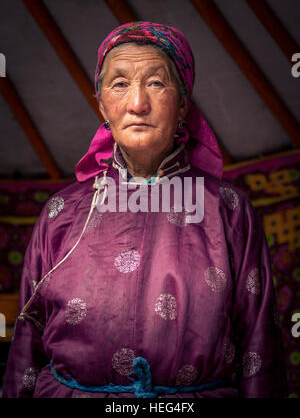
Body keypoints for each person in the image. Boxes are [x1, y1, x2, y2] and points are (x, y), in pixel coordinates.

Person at [3, 21, 288, 398]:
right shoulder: (62, 213)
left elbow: (260, 349)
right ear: (102, 103)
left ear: (183, 104)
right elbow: (26, 345)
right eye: (120, 84)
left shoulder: (229, 211)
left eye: (156, 83)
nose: (138, 103)